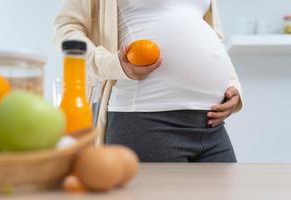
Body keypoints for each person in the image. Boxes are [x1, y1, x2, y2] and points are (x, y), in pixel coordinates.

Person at [54, 0, 243, 162]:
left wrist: (233, 85)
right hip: (146, 119)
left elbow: (213, 35)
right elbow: (67, 28)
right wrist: (112, 64)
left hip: (211, 123)